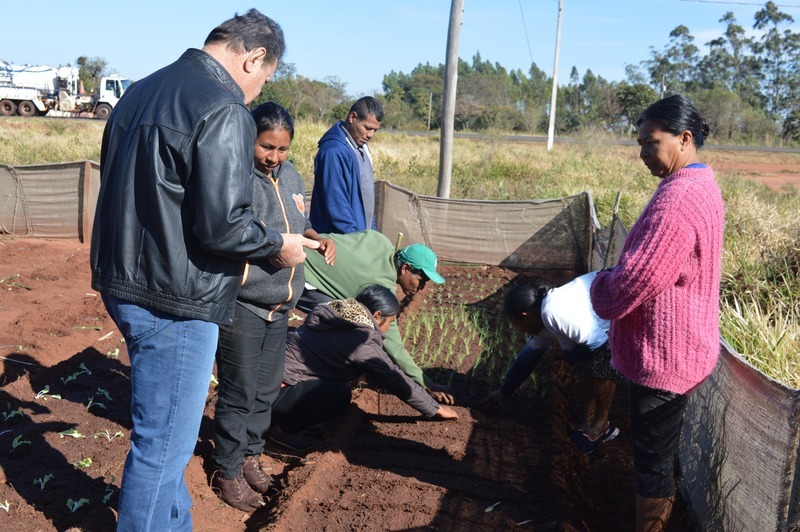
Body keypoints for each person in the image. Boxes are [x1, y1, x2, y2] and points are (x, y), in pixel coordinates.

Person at [90, 10, 320, 530]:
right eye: (264, 76)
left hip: (123, 281)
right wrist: (275, 245)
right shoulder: (223, 109)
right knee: (161, 448)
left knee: (166, 441)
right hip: (175, 295)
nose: (258, 89)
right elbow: (223, 226)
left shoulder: (140, 92)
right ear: (253, 56)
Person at [590, 94, 724, 532]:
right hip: (680, 348)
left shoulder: (679, 197)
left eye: (652, 143)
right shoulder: (698, 183)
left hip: (663, 357)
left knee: (651, 461)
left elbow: (637, 280)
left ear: (684, 139)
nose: (644, 153)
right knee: (660, 452)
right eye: (641, 143)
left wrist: (600, 289)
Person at [209, 102, 335, 511]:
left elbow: (298, 223)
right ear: (250, 138)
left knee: (264, 390)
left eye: (283, 149)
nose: (275, 157)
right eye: (267, 147)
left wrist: (318, 236)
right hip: (244, 301)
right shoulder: (236, 176)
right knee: (238, 390)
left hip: (281, 306)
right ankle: (226, 469)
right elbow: (231, 232)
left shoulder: (293, 174)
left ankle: (251, 456)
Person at [270, 284, 458, 451]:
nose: (388, 329)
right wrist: (433, 408)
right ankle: (285, 432)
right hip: (278, 391)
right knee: (338, 393)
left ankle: (298, 420)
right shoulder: (360, 340)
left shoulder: (337, 312)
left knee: (328, 387)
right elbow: (392, 376)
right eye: (390, 322)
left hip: (269, 378)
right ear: (377, 316)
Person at [299, 229, 456, 405]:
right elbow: (393, 346)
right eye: (422, 280)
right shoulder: (382, 288)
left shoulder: (380, 240)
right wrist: (428, 383)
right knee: (347, 322)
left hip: (301, 244)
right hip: (298, 274)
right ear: (405, 268)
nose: (421, 288)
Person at [481, 272, 624, 454]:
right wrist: (504, 391)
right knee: (584, 364)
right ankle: (589, 423)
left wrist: (567, 356)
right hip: (600, 323)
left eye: (517, 324)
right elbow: (528, 358)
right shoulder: (541, 319)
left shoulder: (552, 312)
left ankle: (600, 428)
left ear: (525, 315)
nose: (520, 330)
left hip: (621, 303)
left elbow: (599, 343)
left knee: (601, 368)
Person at [308, 96, 384, 234]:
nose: (371, 135)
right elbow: (337, 205)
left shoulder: (362, 147)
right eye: (367, 128)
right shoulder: (333, 151)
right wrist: (355, 240)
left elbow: (367, 199)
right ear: (352, 117)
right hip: (341, 242)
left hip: (361, 238)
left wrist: (371, 235)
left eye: (375, 130)